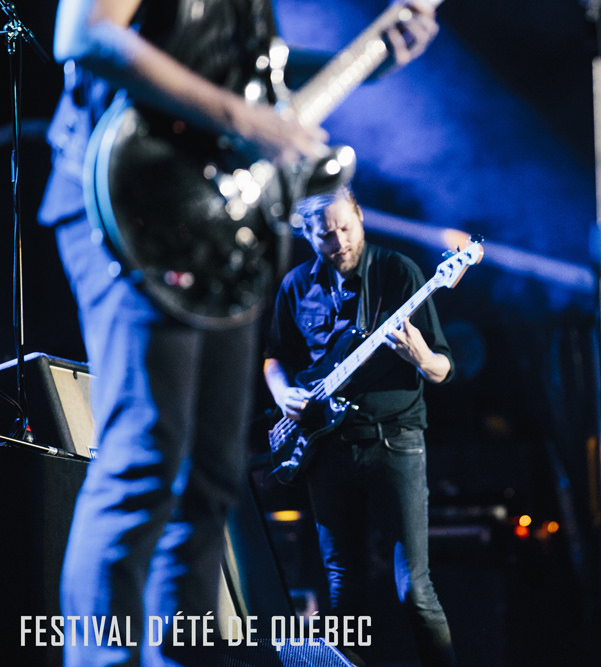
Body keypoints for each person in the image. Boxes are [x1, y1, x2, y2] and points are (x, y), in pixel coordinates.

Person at [37, 1, 439, 665]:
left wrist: (366, 60)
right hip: (127, 195)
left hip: (214, 223)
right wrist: (248, 121)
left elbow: (239, 71)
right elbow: (83, 33)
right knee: (144, 460)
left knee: (208, 478)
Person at [262, 184, 456, 667]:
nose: (340, 242)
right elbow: (274, 357)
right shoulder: (296, 285)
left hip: (394, 440)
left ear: (360, 217)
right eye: (325, 235)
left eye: (346, 228)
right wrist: (282, 393)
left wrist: (421, 357)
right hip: (326, 448)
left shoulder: (398, 272)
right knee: (342, 590)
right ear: (307, 234)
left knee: (414, 589)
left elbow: (443, 368)